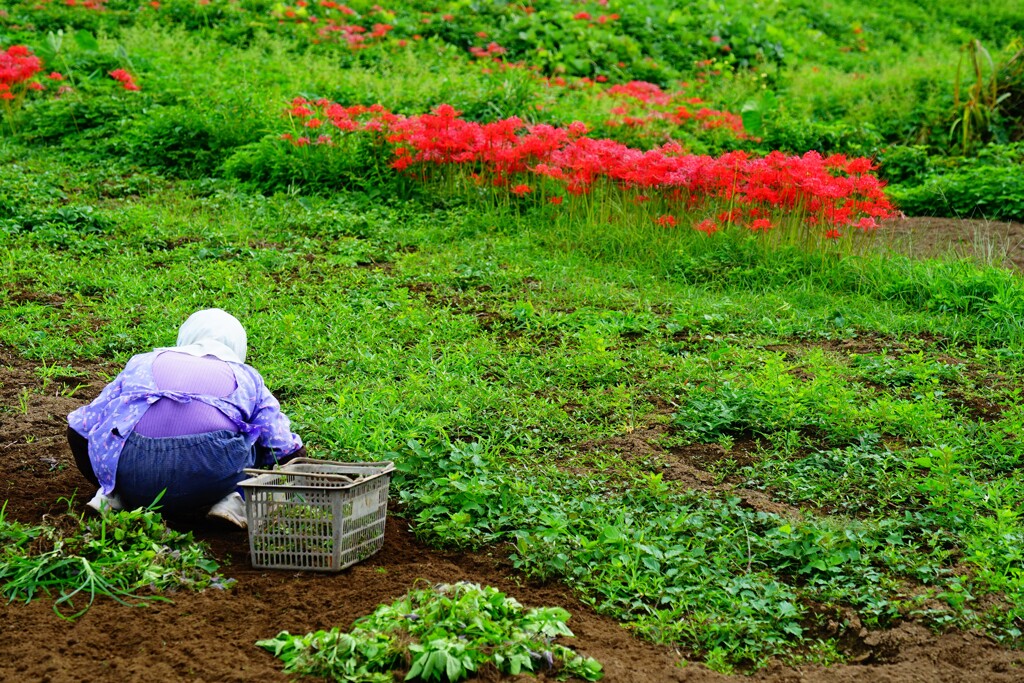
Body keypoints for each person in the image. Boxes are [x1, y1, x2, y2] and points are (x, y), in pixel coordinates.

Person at [67, 308, 306, 528]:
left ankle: (113, 495)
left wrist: (107, 477)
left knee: (118, 430)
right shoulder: (247, 376)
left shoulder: (142, 362)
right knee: (253, 438)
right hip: (210, 477)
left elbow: (80, 427)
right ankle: (234, 501)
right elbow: (283, 447)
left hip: (133, 470)